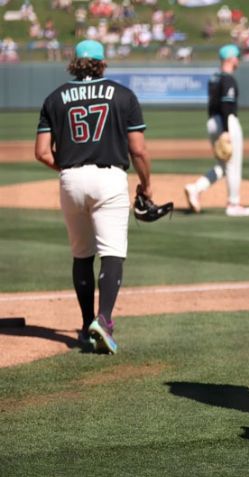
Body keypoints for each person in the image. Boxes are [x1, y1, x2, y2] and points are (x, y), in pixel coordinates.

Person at [34, 39, 156, 354]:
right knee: (112, 251)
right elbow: (138, 150)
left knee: (82, 254)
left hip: (70, 178)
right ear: (102, 63)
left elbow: (42, 152)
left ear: (74, 63)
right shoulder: (123, 95)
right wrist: (146, 184)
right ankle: (103, 320)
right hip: (109, 177)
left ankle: (88, 325)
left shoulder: (54, 98)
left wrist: (71, 169)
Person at [184, 44, 249, 217]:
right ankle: (233, 204)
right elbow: (226, 105)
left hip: (212, 121)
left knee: (223, 166)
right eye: (236, 56)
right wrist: (225, 130)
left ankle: (196, 188)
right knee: (233, 166)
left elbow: (212, 105)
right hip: (226, 121)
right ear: (230, 58)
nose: (238, 60)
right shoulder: (228, 79)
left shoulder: (214, 77)